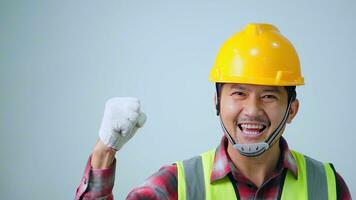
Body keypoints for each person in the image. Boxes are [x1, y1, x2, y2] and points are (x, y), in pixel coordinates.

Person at [75, 23, 351, 200]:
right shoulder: (179, 184)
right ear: (217, 102)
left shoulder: (326, 185)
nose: (252, 110)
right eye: (238, 93)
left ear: (292, 110)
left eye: (268, 96)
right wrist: (104, 151)